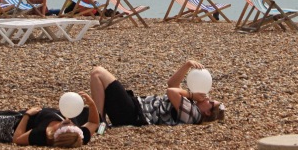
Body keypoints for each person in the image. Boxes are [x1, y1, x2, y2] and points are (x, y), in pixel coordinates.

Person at [89, 59, 225, 127]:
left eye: (211, 102)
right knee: (98, 80)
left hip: (133, 113)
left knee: (98, 73)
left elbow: (171, 92)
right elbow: (172, 84)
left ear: (207, 111)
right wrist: (187, 65)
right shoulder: (191, 107)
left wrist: (191, 95)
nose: (209, 98)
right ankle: (99, 121)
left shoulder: (194, 115)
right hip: (131, 109)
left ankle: (99, 122)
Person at [9, 93, 100, 148]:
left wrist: (27, 115)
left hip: (14, 121)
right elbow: (94, 123)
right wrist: (92, 104)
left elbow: (16, 139)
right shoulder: (77, 137)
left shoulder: (41, 134)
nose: (69, 122)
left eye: (65, 126)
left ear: (58, 133)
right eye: (73, 126)